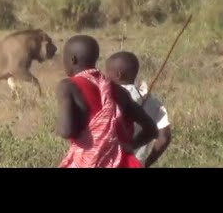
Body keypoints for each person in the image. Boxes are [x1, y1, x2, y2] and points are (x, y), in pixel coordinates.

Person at [55, 35, 158, 168]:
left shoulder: (67, 86)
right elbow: (151, 129)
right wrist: (129, 146)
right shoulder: (117, 90)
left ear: (72, 59)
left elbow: (66, 131)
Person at [105, 51, 172, 168]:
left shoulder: (108, 97)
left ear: (118, 74)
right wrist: (147, 163)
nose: (105, 77)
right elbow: (164, 137)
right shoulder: (153, 102)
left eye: (107, 73)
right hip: (135, 164)